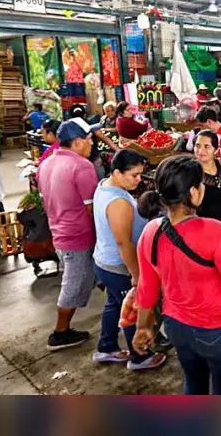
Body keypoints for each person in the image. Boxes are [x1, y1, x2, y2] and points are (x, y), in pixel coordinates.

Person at [130, 156, 221, 395]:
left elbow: (146, 289)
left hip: (176, 327)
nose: (204, 187)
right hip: (216, 329)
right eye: (201, 183)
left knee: (194, 382)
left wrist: (143, 326)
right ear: (193, 192)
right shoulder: (214, 232)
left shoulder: (150, 232)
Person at [91, 149, 168, 370]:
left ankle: (106, 348)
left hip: (104, 260)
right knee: (133, 311)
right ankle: (139, 357)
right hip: (119, 266)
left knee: (114, 305)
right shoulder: (118, 202)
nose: (138, 180)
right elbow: (124, 243)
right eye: (133, 175)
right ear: (117, 172)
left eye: (140, 174)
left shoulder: (105, 185)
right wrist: (137, 275)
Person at [37, 118, 102, 351]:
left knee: (86, 277)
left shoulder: (45, 164)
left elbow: (45, 202)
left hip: (59, 232)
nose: (92, 143)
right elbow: (92, 207)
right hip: (77, 236)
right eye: (89, 139)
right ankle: (60, 332)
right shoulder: (82, 166)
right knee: (73, 285)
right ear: (76, 142)